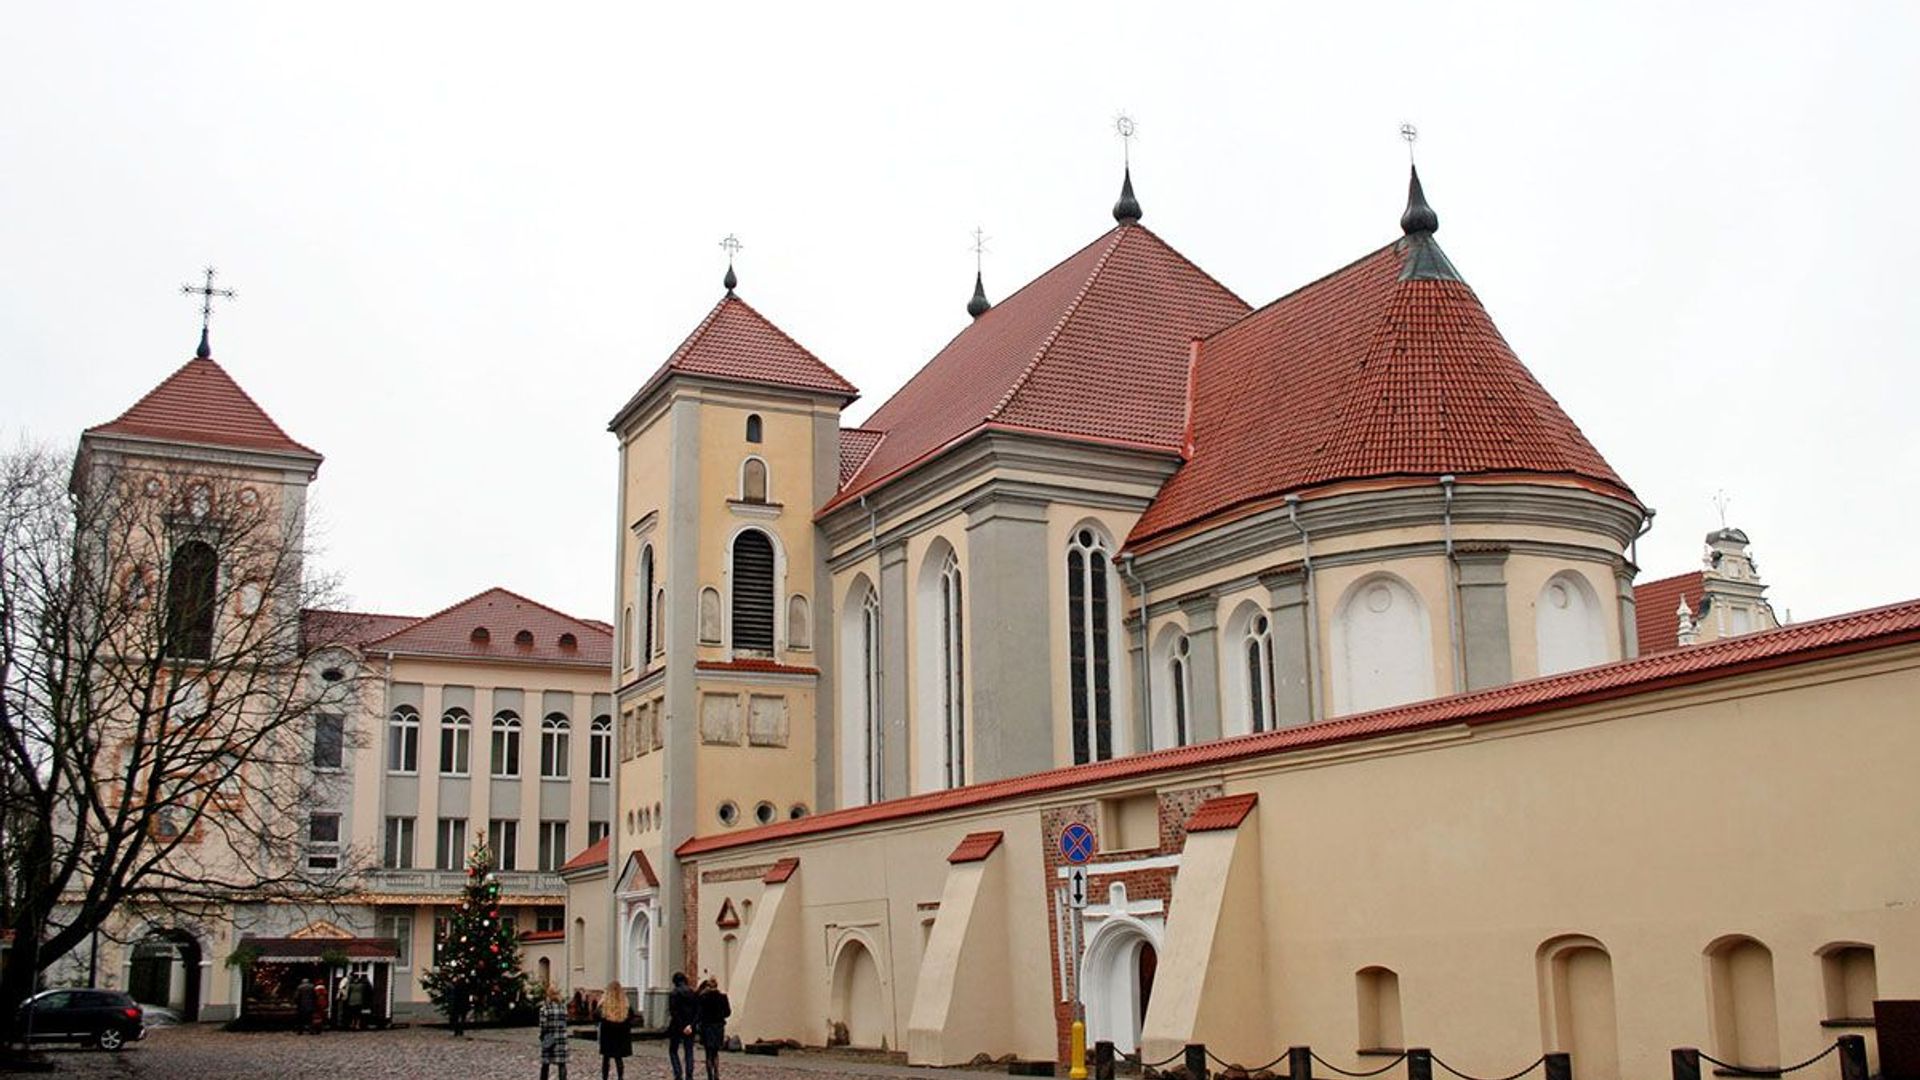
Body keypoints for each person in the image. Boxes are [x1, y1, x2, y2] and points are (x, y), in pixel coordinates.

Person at [595, 980, 633, 1080]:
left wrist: (600, 1003)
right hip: (620, 1035)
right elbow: (631, 1017)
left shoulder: (605, 1005)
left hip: (608, 1035)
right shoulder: (624, 1005)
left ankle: (605, 1077)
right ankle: (620, 1077)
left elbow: (596, 1016)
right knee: (618, 1058)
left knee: (606, 1059)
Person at [696, 978, 731, 1080]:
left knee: (708, 1053)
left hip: (707, 1027)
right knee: (715, 1052)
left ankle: (709, 1076)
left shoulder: (703, 998)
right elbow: (728, 1012)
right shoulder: (723, 997)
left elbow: (699, 1013)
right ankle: (716, 1073)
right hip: (718, 1026)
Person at [665, 972, 699, 1080]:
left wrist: (682, 1026)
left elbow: (674, 1012)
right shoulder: (692, 993)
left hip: (677, 1026)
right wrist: (691, 1025)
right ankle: (689, 1075)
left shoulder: (674, 994)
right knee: (689, 1050)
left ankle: (678, 1072)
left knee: (673, 1050)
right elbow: (697, 1011)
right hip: (690, 1026)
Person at [538, 982, 570, 1080]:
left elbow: (543, 1025)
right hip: (561, 1038)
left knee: (545, 1063)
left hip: (549, 1038)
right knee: (562, 1064)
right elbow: (565, 1021)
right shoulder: (563, 1008)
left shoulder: (545, 1009)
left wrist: (541, 1036)